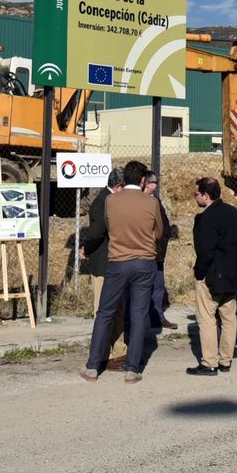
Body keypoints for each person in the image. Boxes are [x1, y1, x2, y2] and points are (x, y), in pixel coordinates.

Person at [81, 160, 163, 384]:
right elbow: (158, 232)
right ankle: (132, 369)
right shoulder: (151, 203)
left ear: (123, 179)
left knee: (105, 313)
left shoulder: (110, 201)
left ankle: (92, 367)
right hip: (144, 263)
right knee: (138, 315)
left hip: (117, 262)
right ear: (143, 180)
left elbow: (103, 228)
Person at [188, 177, 237, 376]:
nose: (195, 197)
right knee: (228, 318)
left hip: (212, 277)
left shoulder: (208, 218)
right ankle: (225, 360)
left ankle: (209, 362)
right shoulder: (233, 212)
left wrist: (199, 274)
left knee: (207, 319)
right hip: (231, 277)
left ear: (206, 196)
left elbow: (205, 252)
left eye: (196, 194)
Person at [79, 167, 127, 368]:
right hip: (103, 264)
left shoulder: (109, 199)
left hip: (113, 263)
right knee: (105, 310)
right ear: (117, 186)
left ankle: (119, 350)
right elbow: (96, 233)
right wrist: (86, 249)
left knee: (116, 309)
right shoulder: (103, 202)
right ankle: (105, 353)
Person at [142, 172, 178, 332]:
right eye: (154, 182)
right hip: (144, 252)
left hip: (158, 253)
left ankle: (157, 317)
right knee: (142, 287)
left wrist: (166, 235)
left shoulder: (155, 200)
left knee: (158, 286)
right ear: (146, 183)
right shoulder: (140, 202)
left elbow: (163, 223)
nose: (157, 185)